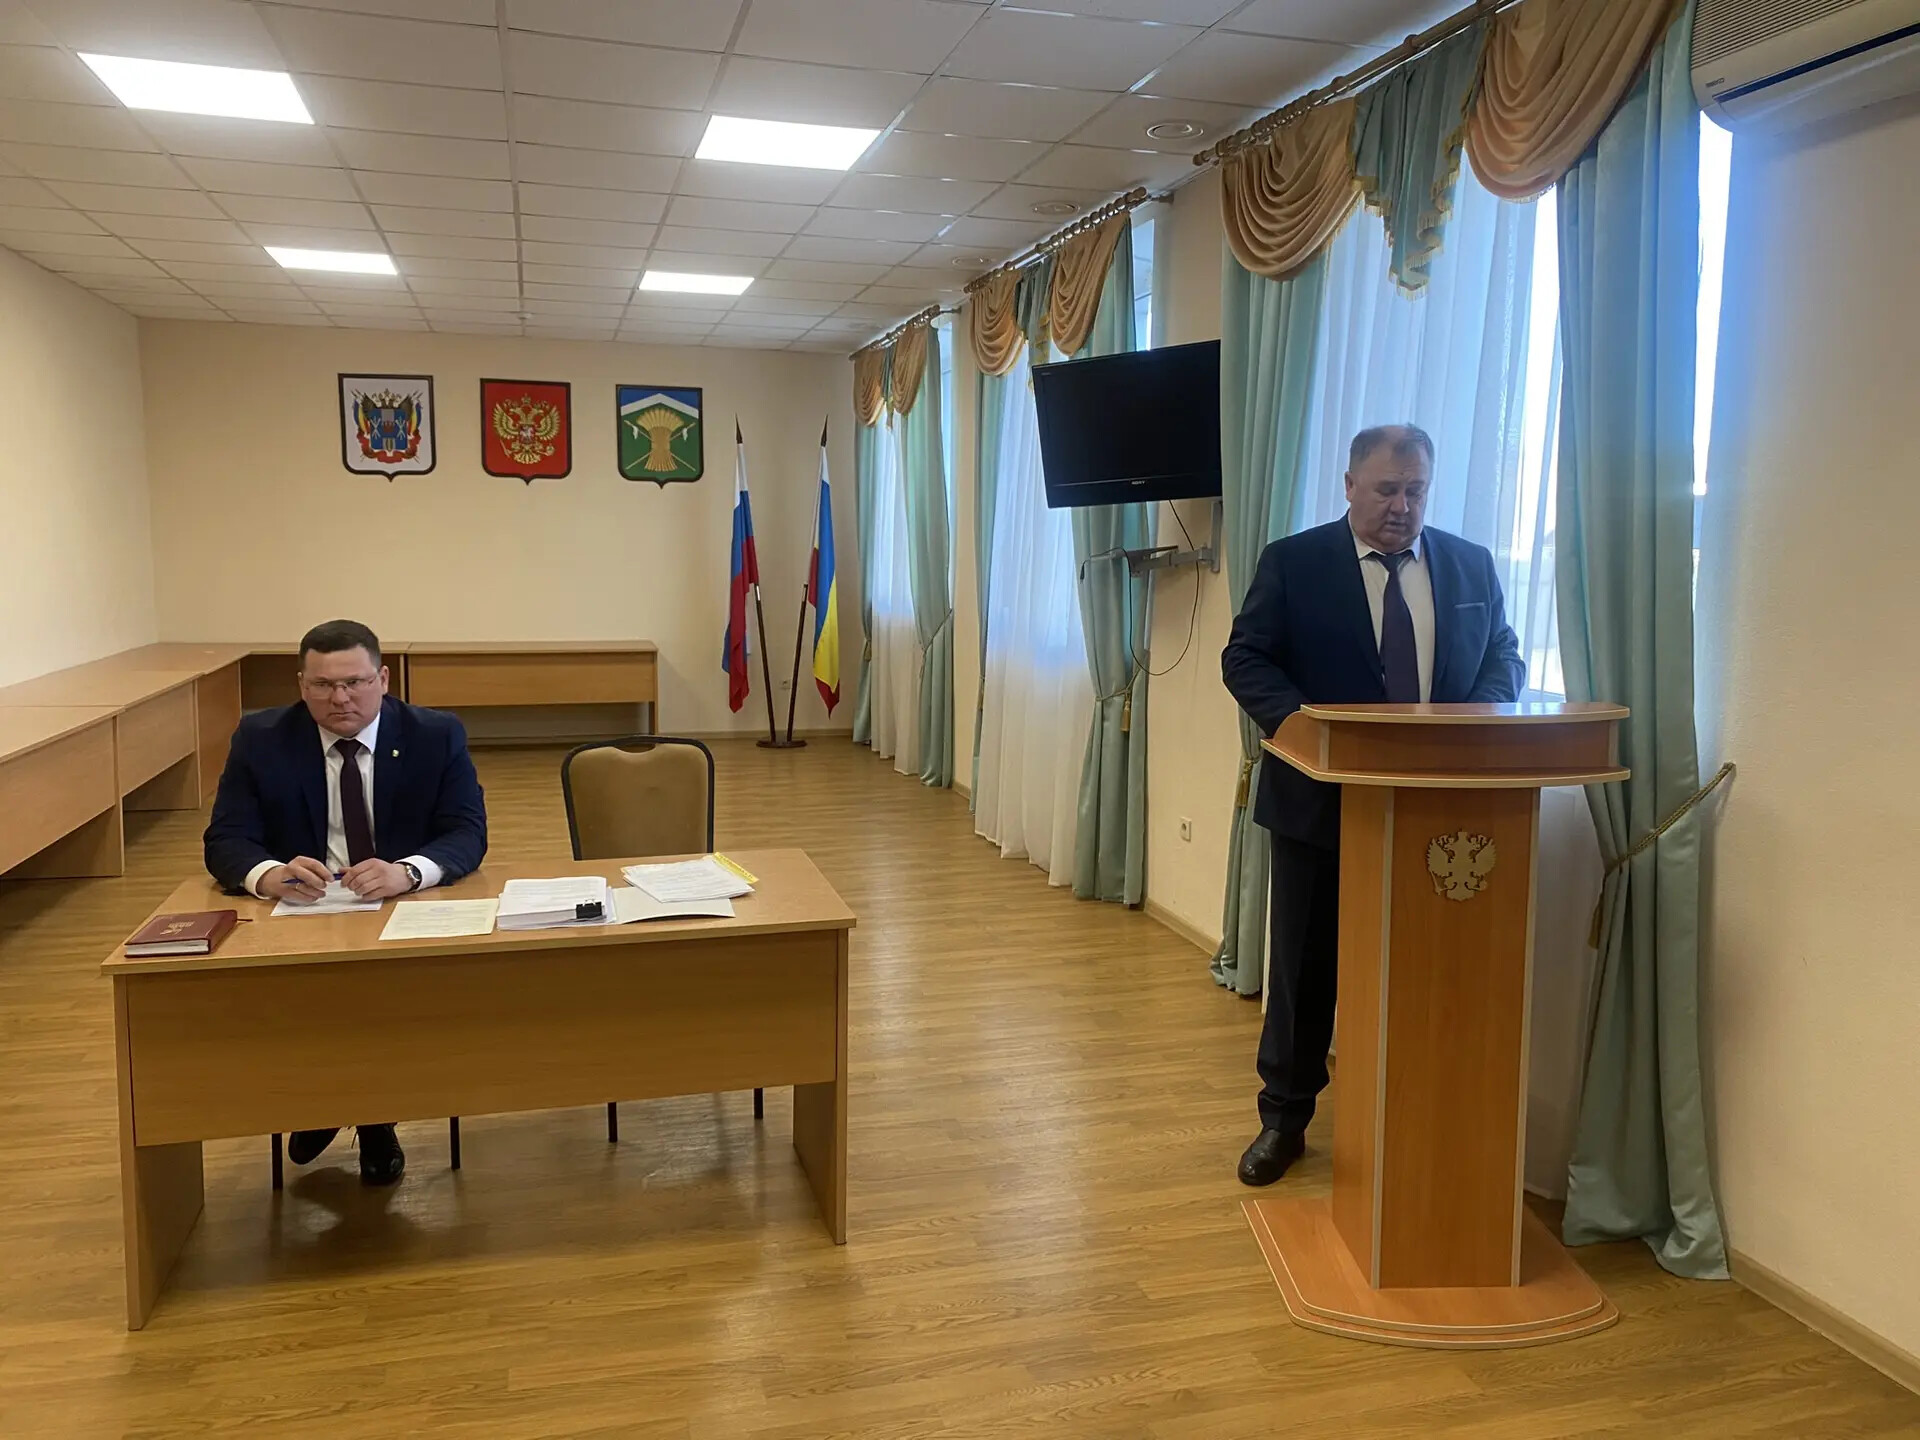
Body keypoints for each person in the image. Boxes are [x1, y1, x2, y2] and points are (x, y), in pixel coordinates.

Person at [1221, 424, 1524, 1186]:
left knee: (1430, 970)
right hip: (1318, 808)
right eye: (1387, 489)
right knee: (1304, 972)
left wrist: (1470, 725)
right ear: (1350, 485)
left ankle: (1418, 1116)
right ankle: (1284, 1121)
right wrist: (1300, 728)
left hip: (1441, 816)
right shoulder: (1294, 563)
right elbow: (1245, 657)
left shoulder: (1470, 564)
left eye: (1415, 490)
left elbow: (1503, 655)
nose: (1402, 506)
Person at [204, 619, 488, 1184]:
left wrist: (408, 872)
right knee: (314, 996)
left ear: (383, 679)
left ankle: (356, 1112)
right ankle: (340, 1103)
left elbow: (467, 831)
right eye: (322, 685)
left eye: (355, 683)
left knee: (393, 993)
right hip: (302, 913)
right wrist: (269, 874)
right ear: (301, 685)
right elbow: (226, 839)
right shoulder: (261, 737)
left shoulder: (435, 734)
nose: (340, 699)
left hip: (402, 907)